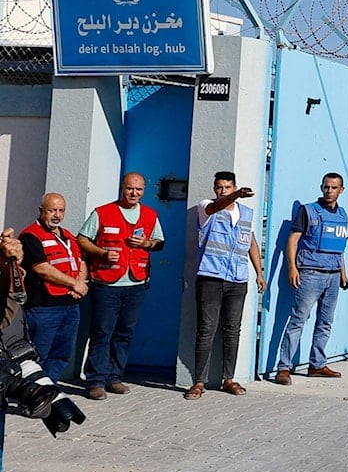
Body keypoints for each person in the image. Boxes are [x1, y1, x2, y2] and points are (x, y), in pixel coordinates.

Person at [77, 172, 164, 401]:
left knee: (124, 333)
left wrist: (147, 243)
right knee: (101, 332)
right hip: (106, 283)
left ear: (144, 190)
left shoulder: (149, 215)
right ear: (122, 188)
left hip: (136, 283)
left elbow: (159, 242)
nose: (134, 193)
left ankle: (114, 377)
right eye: (129, 189)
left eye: (138, 189)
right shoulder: (102, 212)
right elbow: (82, 239)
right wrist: (102, 253)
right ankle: (95, 381)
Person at [184, 172, 266, 400]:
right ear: (214, 189)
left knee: (232, 330)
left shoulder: (246, 213)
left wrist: (259, 273)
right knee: (206, 330)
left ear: (234, 187)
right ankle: (198, 382)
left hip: (237, 280)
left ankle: (228, 378)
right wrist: (236, 196)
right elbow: (215, 207)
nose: (223, 191)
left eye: (228, 187)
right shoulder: (206, 208)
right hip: (211, 277)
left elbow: (250, 242)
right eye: (219, 187)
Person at [274, 172, 348, 385]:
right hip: (310, 273)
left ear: (341, 190)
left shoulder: (343, 214)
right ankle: (284, 368)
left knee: (325, 322)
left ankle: (317, 364)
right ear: (321, 187)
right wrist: (292, 267)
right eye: (326, 186)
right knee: (298, 320)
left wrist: (343, 273)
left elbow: (340, 247)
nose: (329, 191)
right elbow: (293, 240)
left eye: (334, 187)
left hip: (333, 275)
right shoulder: (307, 210)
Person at [17, 193, 88, 383]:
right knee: (38, 356)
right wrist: (74, 283)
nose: (56, 215)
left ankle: (49, 391)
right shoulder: (30, 236)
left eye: (61, 210)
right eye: (52, 210)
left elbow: (80, 262)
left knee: (62, 354)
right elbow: (42, 269)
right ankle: (32, 395)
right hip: (44, 307)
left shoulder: (68, 236)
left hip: (70, 305)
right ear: (41, 211)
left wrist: (80, 284)